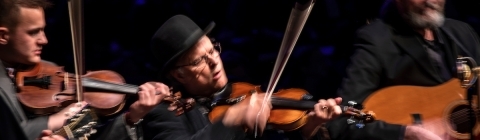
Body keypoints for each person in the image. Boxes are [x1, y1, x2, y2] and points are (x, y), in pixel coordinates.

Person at [141, 14, 348, 140]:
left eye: (212, 50)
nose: (214, 60)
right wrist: (231, 118)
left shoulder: (244, 90)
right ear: (179, 74)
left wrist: (307, 130)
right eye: (198, 61)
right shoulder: (165, 112)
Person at [0, 0, 169, 139]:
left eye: (43, 30)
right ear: (3, 36)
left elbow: (85, 134)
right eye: (33, 32)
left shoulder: (45, 69)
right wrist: (57, 119)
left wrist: (132, 117)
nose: (44, 40)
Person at [325, 0, 480, 139]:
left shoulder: (463, 34)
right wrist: (406, 133)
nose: (430, 1)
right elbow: (343, 122)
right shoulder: (376, 41)